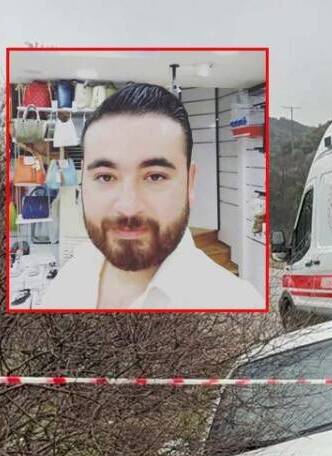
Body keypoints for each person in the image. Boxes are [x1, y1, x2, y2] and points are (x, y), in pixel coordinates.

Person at [40, 83, 263, 310]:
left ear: (190, 183)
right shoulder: (70, 276)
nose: (128, 207)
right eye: (106, 177)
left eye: (155, 177)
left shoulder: (238, 304)